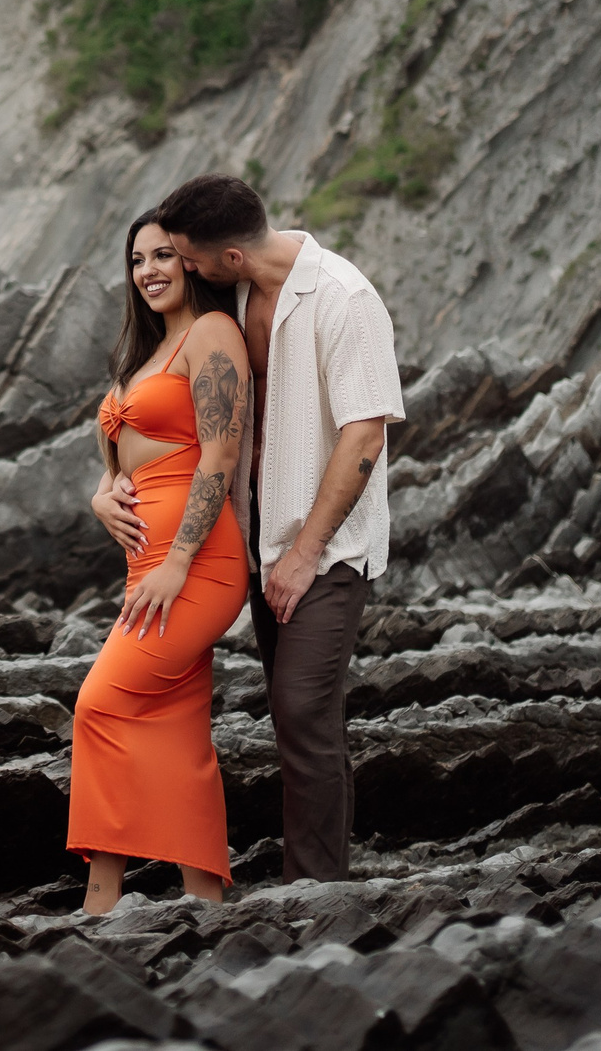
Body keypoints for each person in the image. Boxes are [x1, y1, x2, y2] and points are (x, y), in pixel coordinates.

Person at [98, 173, 403, 884]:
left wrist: (305, 552)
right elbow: (179, 412)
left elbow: (364, 436)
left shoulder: (344, 298)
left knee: (300, 709)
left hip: (325, 546)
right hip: (254, 541)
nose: (180, 270)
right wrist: (113, 484)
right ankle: (312, 880)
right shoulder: (232, 295)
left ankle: (314, 892)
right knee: (300, 715)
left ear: (229, 257)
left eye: (187, 258)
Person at [67, 208, 253, 914]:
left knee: (99, 705)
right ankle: (204, 896)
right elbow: (127, 461)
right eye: (137, 260)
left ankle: (101, 898)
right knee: (176, 732)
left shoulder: (211, 333)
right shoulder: (143, 356)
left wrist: (177, 560)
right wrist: (100, 496)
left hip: (196, 565)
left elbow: (219, 453)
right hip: (148, 567)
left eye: (163, 256)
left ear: (190, 263)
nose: (149, 270)